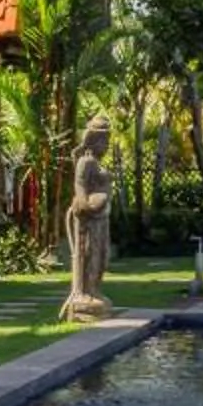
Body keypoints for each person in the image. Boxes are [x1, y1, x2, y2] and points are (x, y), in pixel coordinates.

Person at [62, 117, 114, 321]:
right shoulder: (86, 161)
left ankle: (95, 290)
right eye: (104, 141)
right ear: (93, 141)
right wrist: (86, 205)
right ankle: (84, 293)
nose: (107, 146)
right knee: (88, 254)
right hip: (89, 219)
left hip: (101, 217)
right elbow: (80, 186)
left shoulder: (96, 163)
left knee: (102, 255)